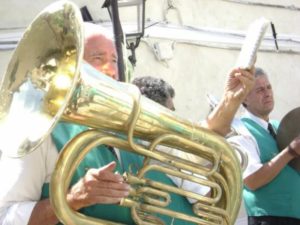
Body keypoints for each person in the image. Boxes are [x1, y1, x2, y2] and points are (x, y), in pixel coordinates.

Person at [0, 20, 255, 224]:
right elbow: (7, 217)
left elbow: (201, 170)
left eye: (114, 59)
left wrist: (230, 103)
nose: (112, 70)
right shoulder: (36, 134)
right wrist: (71, 199)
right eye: (97, 59)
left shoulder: (141, 120)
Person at [228, 67, 300, 225]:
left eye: (269, 87)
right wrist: (290, 151)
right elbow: (252, 180)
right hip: (268, 219)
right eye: (260, 90)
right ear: (245, 98)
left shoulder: (277, 125)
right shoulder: (239, 129)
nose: (268, 93)